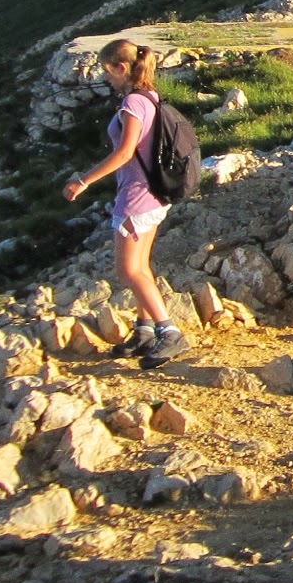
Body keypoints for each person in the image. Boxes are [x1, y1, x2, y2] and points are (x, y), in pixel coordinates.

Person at [62, 39, 187, 367]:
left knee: (129, 268)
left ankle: (169, 332)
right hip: (154, 194)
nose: (108, 79)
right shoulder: (151, 97)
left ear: (121, 67)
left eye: (108, 72)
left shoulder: (133, 102)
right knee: (140, 267)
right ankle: (144, 330)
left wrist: (83, 180)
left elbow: (124, 152)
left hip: (136, 196)